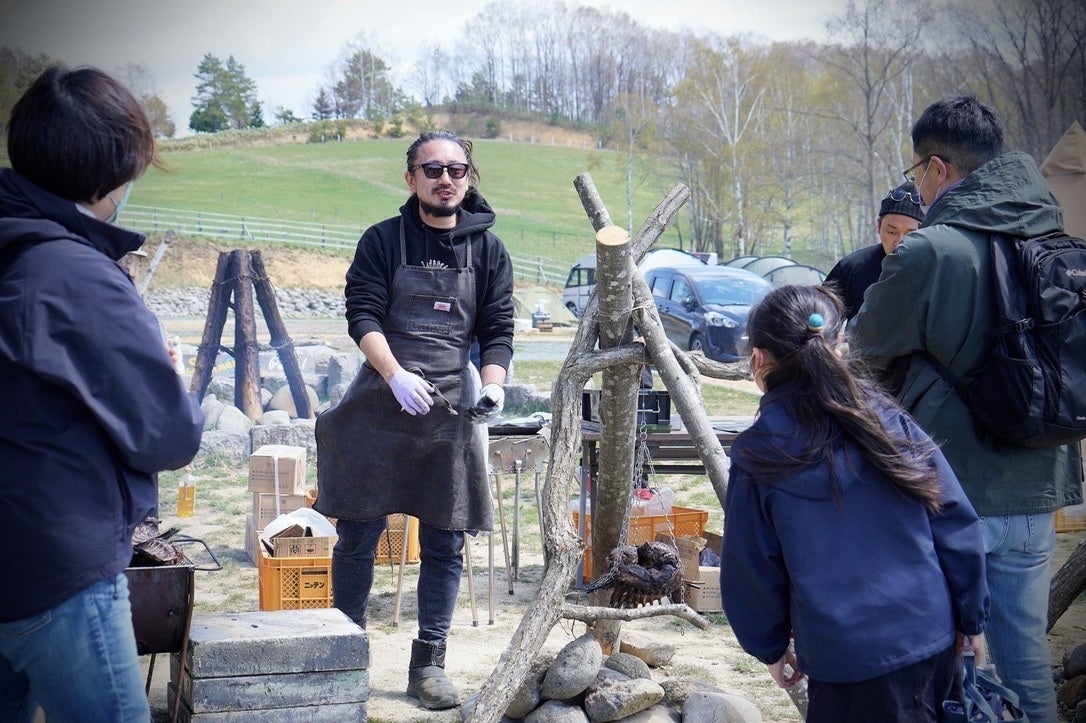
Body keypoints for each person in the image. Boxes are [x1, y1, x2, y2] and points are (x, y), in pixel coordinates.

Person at [851, 95, 1084, 723]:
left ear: (936, 168)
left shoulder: (928, 251)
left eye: (916, 173)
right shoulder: (1058, 241)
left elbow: (864, 354)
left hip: (949, 493)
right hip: (1037, 489)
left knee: (945, 669)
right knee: (1025, 662)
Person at [0, 65, 204, 721]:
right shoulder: (73, 273)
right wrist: (165, 372)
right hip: (54, 565)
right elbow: (169, 435)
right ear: (108, 178)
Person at [720, 284, 989, 722]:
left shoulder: (759, 454)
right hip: (927, 633)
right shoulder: (888, 419)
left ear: (757, 359)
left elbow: (751, 567)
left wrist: (768, 644)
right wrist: (971, 615)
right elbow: (953, 520)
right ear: (840, 346)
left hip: (845, 656)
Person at [314, 130, 515, 710]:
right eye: (432, 169)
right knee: (359, 535)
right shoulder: (382, 240)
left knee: (446, 540)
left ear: (469, 178)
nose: (445, 179)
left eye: (456, 169)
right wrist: (395, 375)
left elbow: (497, 329)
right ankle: (346, 655)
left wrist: (493, 385)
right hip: (381, 402)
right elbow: (362, 314)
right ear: (411, 178)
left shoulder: (489, 251)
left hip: (450, 408)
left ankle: (428, 664)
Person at [823, 182, 924, 321]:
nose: (900, 242)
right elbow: (819, 320)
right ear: (878, 226)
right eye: (892, 232)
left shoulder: (935, 272)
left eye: (910, 234)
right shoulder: (852, 268)